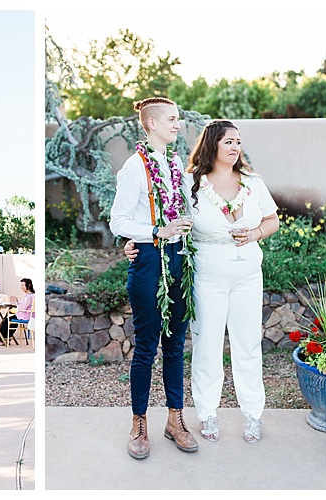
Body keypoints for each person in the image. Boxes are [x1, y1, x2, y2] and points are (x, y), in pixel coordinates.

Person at [126, 119, 279, 444]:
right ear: (213, 145)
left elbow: (272, 219)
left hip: (248, 274)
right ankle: (207, 414)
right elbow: (162, 216)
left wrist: (254, 233)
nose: (236, 147)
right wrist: (131, 243)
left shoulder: (253, 182)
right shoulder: (189, 182)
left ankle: (253, 414)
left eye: (238, 141)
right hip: (207, 274)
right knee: (207, 345)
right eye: (228, 142)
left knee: (248, 345)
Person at [109, 96, 199, 459]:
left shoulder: (176, 163)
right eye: (171, 120)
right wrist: (156, 232)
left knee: (176, 345)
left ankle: (175, 420)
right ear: (152, 125)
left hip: (179, 259)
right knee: (147, 347)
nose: (177, 125)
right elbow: (118, 221)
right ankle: (139, 423)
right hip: (148, 260)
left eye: (177, 118)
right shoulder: (134, 167)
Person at [0, 278, 35, 346]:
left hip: (24, 316)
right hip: (28, 315)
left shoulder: (29, 296)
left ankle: (1, 339)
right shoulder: (31, 295)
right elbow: (24, 304)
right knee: (12, 320)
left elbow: (23, 307)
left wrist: (16, 303)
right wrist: (17, 302)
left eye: (23, 285)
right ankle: (6, 339)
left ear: (28, 285)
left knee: (7, 320)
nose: (21, 287)